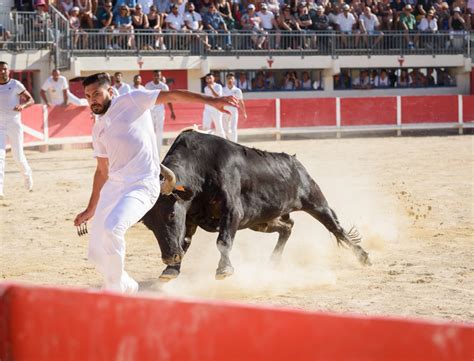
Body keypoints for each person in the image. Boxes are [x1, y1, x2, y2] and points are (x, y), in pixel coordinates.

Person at [74, 72, 238, 293]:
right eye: (87, 96)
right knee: (95, 250)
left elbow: (174, 96)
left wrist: (211, 101)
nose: (92, 100)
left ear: (110, 91)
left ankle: (115, 290)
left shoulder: (132, 100)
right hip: (114, 186)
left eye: (96, 94)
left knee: (113, 228)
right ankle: (125, 283)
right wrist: (91, 208)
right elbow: (102, 171)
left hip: (142, 184)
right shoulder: (98, 128)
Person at [0, 61, 34, 199]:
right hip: (0, 126)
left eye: (4, 69)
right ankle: (0, 190)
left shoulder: (15, 85)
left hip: (14, 124)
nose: (2, 72)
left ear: (9, 71)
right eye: (0, 70)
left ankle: (27, 175)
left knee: (18, 156)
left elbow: (31, 99)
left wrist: (23, 106)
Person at [145, 70, 176, 154]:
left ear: (160, 76)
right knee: (150, 129)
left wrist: (172, 111)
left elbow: (169, 99)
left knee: (159, 130)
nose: (156, 77)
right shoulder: (148, 85)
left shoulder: (164, 86)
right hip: (150, 110)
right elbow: (145, 99)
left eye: (158, 75)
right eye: (155, 75)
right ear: (153, 76)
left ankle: (157, 151)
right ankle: (151, 149)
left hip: (160, 110)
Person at [222, 73, 247, 143]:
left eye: (231, 78)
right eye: (228, 78)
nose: (230, 80)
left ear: (234, 80)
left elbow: (241, 102)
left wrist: (244, 113)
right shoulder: (223, 90)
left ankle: (234, 143)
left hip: (234, 110)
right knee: (225, 128)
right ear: (226, 80)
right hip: (225, 110)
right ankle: (228, 142)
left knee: (233, 128)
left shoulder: (237, 90)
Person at [202, 72, 226, 138]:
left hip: (216, 109)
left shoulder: (218, 86)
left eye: (210, 78)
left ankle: (223, 142)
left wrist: (211, 88)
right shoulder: (205, 88)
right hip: (207, 109)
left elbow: (218, 96)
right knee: (206, 127)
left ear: (213, 78)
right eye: (207, 79)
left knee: (219, 127)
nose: (209, 80)